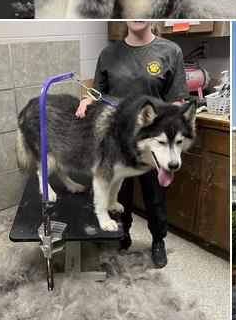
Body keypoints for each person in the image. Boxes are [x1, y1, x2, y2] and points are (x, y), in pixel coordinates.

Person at [76, 20, 188, 268]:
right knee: (118, 192)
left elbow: (177, 102)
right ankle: (122, 235)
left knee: (155, 195)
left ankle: (158, 241)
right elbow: (98, 94)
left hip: (152, 143)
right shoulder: (109, 54)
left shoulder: (170, 52)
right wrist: (86, 100)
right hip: (117, 142)